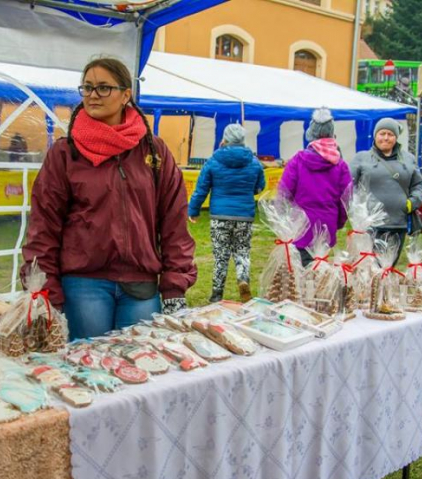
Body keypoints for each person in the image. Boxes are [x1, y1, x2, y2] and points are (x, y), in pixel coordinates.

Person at [22, 57, 197, 340]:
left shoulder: (154, 151)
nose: (93, 95)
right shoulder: (66, 153)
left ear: (126, 94)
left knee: (143, 372)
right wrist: (46, 291)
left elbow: (174, 221)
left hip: (141, 286)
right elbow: (44, 226)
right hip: (84, 285)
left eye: (103, 87)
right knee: (88, 373)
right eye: (87, 87)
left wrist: (175, 284)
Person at [188, 124, 265, 303]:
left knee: (220, 256)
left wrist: (193, 210)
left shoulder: (213, 160)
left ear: (225, 139)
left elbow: (201, 188)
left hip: (219, 217)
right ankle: (243, 279)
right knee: (242, 251)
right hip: (244, 216)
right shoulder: (254, 162)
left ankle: (216, 293)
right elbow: (260, 186)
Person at [278, 107, 352, 266]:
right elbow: (346, 200)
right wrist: (338, 222)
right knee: (321, 267)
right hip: (327, 225)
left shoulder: (297, 161)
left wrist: (284, 220)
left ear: (310, 134)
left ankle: (306, 290)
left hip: (300, 225)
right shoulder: (340, 165)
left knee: (302, 268)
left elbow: (284, 193)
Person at [349, 118, 422, 266]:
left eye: (390, 134)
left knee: (388, 267)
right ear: (375, 136)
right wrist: (357, 210)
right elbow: (348, 186)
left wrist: (412, 202)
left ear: (396, 137)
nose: (385, 137)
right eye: (382, 133)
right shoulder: (362, 158)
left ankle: (384, 290)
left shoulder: (408, 159)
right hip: (369, 226)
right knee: (368, 268)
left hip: (397, 223)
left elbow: (419, 184)